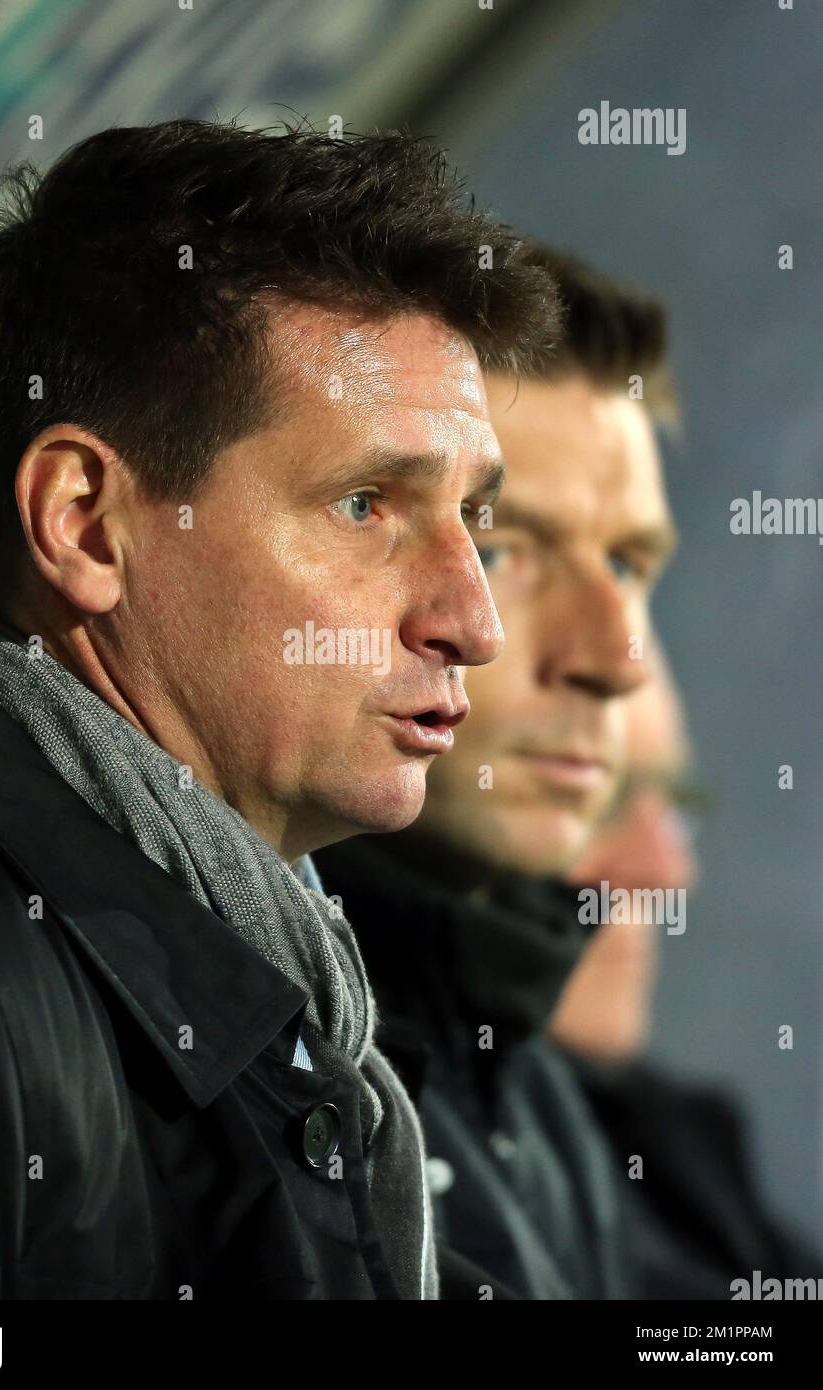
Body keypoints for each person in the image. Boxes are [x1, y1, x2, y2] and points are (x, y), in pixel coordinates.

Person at [0, 118, 560, 1300]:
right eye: (366, 505)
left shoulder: (281, 974)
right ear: (85, 523)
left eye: (473, 519)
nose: (472, 622)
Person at [316, 244, 679, 1297]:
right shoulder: (242, 1059)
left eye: (627, 564)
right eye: (507, 546)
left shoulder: (532, 1069)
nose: (616, 658)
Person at [552, 658, 823, 1298]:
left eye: (674, 806)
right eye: (598, 793)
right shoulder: (391, 1165)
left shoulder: (682, 1147)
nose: (668, 871)